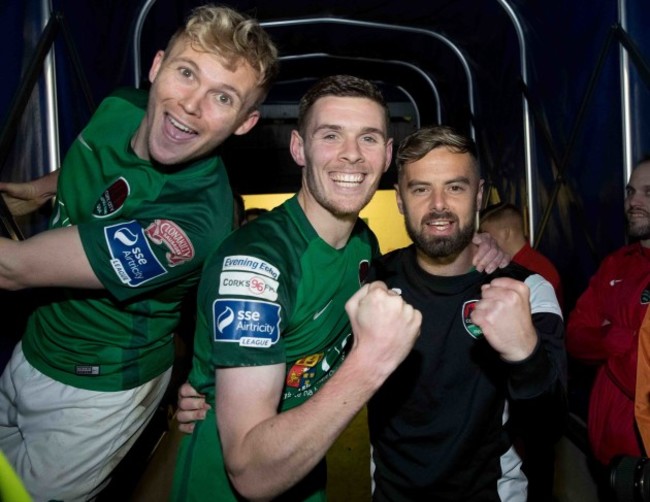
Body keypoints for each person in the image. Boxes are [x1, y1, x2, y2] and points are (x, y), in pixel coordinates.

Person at [171, 78, 509, 502]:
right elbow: (250, 474)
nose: (351, 154)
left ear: (386, 155)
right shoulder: (256, 263)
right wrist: (372, 361)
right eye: (331, 135)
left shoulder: (363, 246)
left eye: (367, 138)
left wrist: (477, 240)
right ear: (298, 148)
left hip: (306, 480)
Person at [0, 4, 278, 500]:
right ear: (155, 68)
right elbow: (97, 163)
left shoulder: (191, 222)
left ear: (244, 122)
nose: (191, 104)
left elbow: (13, 269)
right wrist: (38, 190)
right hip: (37, 344)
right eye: (186, 72)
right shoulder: (120, 107)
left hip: (95, 390)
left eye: (222, 97)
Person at [366, 125, 567, 501]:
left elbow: (548, 427)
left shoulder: (526, 290)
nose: (438, 204)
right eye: (421, 188)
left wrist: (525, 354)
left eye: (455, 187)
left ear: (478, 196)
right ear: (399, 199)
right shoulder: (372, 283)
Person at [566, 158, 650, 468]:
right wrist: (627, 338)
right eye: (630, 192)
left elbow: (643, 376)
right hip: (606, 456)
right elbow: (575, 336)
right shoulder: (616, 264)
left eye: (648, 192)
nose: (633, 202)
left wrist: (607, 334)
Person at [480, 202, 564, 308]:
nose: (484, 240)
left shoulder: (538, 271)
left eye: (486, 234)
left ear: (506, 233)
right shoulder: (508, 265)